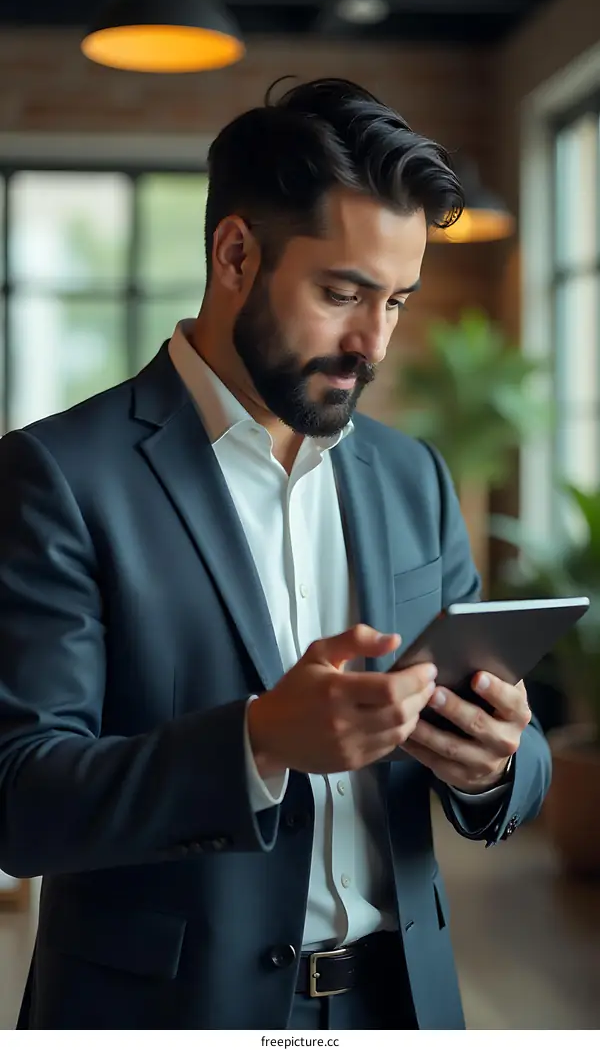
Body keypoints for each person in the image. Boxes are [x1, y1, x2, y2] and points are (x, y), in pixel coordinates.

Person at [0, 77, 551, 1031]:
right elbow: (20, 795)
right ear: (235, 252)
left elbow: (518, 753)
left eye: (398, 301)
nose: (371, 343)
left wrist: (493, 763)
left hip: (404, 1006)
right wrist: (257, 742)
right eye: (342, 293)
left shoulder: (413, 475)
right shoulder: (55, 475)